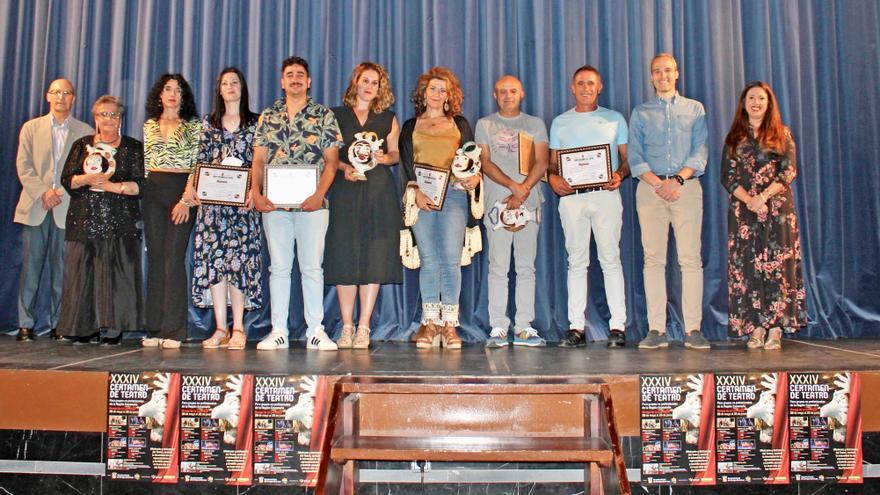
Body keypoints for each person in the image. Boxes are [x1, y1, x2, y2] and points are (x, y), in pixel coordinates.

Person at [250, 56, 343, 351]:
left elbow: (332, 161)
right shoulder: (268, 116)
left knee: (312, 268)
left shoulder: (324, 115)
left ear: (309, 81)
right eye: (289, 75)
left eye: (300, 74)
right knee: (278, 268)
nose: (295, 79)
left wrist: (319, 194)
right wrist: (256, 191)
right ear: (282, 81)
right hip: (275, 206)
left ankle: (316, 330)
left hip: (312, 206)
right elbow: (259, 159)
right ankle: (278, 330)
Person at [629, 53, 711, 350]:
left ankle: (693, 329)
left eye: (667, 70)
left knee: (690, 259)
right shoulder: (640, 112)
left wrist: (677, 180)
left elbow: (700, 152)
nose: (662, 75)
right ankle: (656, 330)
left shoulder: (695, 109)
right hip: (650, 189)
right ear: (651, 77)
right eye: (656, 71)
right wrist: (657, 183)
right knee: (653, 260)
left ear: (677, 74)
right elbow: (635, 156)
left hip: (686, 187)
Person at [400, 66, 483, 349]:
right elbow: (406, 166)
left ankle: (449, 326)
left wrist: (474, 177)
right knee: (429, 260)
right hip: (423, 198)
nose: (437, 94)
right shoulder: (411, 127)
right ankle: (429, 323)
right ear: (423, 93)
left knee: (449, 259)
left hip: (455, 198)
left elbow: (472, 161)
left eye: (442, 90)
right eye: (432, 88)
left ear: (450, 95)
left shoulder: (460, 124)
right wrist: (415, 192)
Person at [548, 65, 629, 349]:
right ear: (572, 87)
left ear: (600, 87)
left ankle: (618, 326)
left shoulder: (614, 119)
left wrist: (620, 174)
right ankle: (576, 327)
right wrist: (553, 178)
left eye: (591, 83)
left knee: (610, 259)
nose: (585, 88)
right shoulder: (560, 122)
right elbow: (552, 163)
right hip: (572, 199)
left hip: (605, 196)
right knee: (577, 262)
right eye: (580, 83)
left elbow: (626, 158)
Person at [721, 81, 806, 350]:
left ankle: (776, 328)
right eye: (751, 98)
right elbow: (728, 175)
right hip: (744, 213)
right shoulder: (735, 137)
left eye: (761, 98)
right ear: (743, 104)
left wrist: (763, 197)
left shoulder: (782, 133)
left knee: (778, 267)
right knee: (748, 268)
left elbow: (788, 171)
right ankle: (756, 327)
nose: (756, 103)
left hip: (777, 211)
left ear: (769, 104)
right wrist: (749, 199)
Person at [325, 62, 402, 349]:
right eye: (365, 80)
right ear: (355, 83)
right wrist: (344, 167)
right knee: (345, 256)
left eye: (375, 83)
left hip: (378, 192)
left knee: (374, 257)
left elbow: (395, 154)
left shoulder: (387, 118)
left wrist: (386, 159)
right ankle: (346, 326)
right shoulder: (336, 115)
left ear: (381, 89)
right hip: (346, 189)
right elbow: (329, 155)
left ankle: (365, 326)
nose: (369, 86)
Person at [57, 95, 145, 344]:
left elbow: (142, 185)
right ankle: (83, 328)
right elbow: (68, 179)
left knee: (117, 277)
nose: (108, 119)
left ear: (121, 119)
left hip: (120, 221)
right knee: (81, 275)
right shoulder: (81, 145)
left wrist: (111, 186)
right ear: (95, 118)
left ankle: (113, 330)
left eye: (114, 114)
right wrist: (86, 179)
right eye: (103, 114)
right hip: (83, 219)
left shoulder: (132, 147)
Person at [13, 79, 92, 342]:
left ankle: (61, 324)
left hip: (67, 208)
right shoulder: (31, 128)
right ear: (48, 96)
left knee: (63, 271)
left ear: (74, 98)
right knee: (31, 270)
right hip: (36, 206)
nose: (61, 97)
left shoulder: (85, 132)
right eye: (56, 92)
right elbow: (24, 166)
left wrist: (61, 192)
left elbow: (87, 171)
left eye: (67, 93)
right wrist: (43, 193)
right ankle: (26, 323)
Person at [191, 67, 262, 351]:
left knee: (239, 265)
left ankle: (239, 327)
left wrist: (254, 191)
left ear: (242, 88)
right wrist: (194, 189)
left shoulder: (257, 123)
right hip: (213, 207)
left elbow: (260, 163)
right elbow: (200, 160)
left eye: (235, 82)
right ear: (219, 90)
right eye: (225, 83)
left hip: (243, 206)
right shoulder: (209, 123)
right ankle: (220, 327)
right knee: (216, 266)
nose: (230, 87)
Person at [476, 75, 549, 348]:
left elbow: (542, 161)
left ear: (522, 94)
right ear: (495, 95)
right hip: (497, 204)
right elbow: (484, 161)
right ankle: (498, 326)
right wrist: (511, 186)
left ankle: (524, 326)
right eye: (502, 92)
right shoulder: (485, 124)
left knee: (526, 267)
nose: (508, 96)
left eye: (513, 91)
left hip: (528, 203)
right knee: (498, 267)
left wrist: (524, 189)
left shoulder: (535, 124)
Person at [141, 74, 202, 349]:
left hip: (181, 191)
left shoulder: (194, 127)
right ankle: (154, 328)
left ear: (184, 96)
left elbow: (197, 165)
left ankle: (175, 330)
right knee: (155, 257)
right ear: (159, 94)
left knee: (174, 258)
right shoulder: (149, 125)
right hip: (153, 191)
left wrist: (186, 200)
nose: (172, 94)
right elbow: (146, 164)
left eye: (178, 90)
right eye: (167, 89)